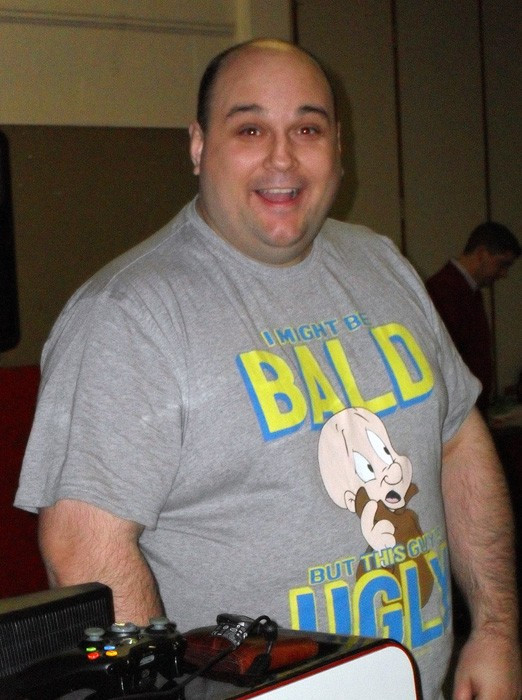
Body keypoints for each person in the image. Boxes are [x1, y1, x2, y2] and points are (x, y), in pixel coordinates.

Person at [15, 39, 520, 699]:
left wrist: (497, 627)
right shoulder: (129, 316)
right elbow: (84, 548)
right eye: (250, 129)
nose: (282, 158)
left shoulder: (381, 264)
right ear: (199, 146)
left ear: (338, 147)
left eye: (307, 129)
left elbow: (457, 437)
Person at [426, 222, 521, 414]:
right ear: (481, 253)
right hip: (459, 413)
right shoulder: (443, 291)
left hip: (470, 410)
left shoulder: (469, 290)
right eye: (502, 264)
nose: (504, 274)